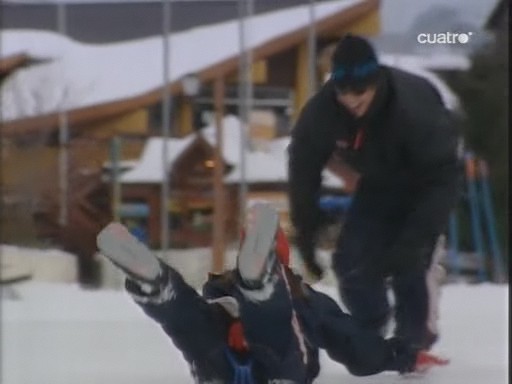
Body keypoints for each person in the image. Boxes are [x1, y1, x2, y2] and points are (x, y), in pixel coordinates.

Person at [97, 203, 448, 384]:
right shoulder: (307, 299)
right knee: (276, 324)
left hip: (219, 371)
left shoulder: (219, 290)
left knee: (189, 322)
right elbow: (355, 345)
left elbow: (194, 324)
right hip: (282, 373)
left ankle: (157, 288)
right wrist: (401, 355)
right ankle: (262, 291)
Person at [287, 34, 463, 352]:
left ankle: (413, 342)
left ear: (376, 82)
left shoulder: (412, 110)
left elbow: (445, 178)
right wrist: (306, 229)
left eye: (360, 92)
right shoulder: (322, 112)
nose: (351, 100)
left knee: (409, 262)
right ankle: (373, 325)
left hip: (428, 183)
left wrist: (416, 240)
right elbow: (303, 169)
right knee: (349, 262)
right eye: (343, 91)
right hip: (379, 184)